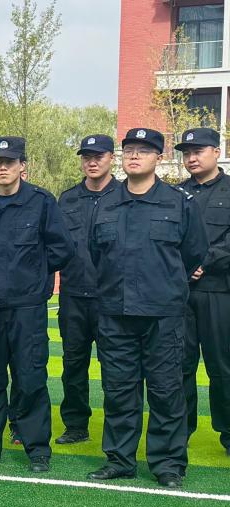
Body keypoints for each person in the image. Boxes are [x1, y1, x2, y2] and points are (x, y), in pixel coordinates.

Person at [87, 128, 208, 487]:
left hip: (163, 315)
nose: (135, 156)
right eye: (129, 150)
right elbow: (96, 253)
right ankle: (120, 459)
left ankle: (168, 464)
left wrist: (164, 284)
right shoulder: (105, 204)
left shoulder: (179, 202)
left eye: (144, 150)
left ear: (159, 157)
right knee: (119, 390)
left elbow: (194, 252)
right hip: (115, 313)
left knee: (166, 391)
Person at [0, 137, 73, 473]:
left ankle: (37, 448)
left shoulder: (42, 202)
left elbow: (63, 248)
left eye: (9, 162)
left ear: (23, 166)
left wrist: (35, 277)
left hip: (27, 308)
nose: (3, 168)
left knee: (30, 378)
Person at [55, 135, 117, 445]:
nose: (92, 162)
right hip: (74, 297)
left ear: (111, 158)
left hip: (111, 298)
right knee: (73, 365)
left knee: (115, 368)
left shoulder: (125, 195)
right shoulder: (67, 199)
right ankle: (76, 424)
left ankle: (116, 429)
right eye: (86, 157)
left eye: (98, 156)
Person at [176, 128, 230, 458]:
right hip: (180, 293)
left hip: (219, 291)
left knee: (222, 366)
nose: (191, 158)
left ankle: (229, 433)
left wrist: (204, 262)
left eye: (198, 151)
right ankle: (179, 431)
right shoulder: (175, 194)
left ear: (216, 152)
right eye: (186, 153)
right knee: (179, 366)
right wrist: (186, 264)